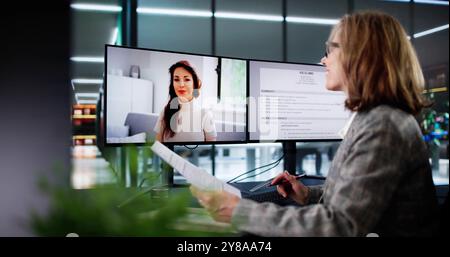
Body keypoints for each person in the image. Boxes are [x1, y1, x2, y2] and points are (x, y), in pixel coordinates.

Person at [190, 11, 440, 236]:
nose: (324, 61)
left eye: (331, 49)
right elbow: (357, 198)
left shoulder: (384, 126)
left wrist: (238, 210)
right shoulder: (374, 118)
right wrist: (308, 194)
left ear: (361, 56)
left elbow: (341, 225)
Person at [154, 60, 217, 142]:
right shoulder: (165, 111)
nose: (181, 84)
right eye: (176, 80)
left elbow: (212, 149)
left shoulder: (206, 114)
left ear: (195, 83)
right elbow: (158, 144)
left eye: (186, 79)